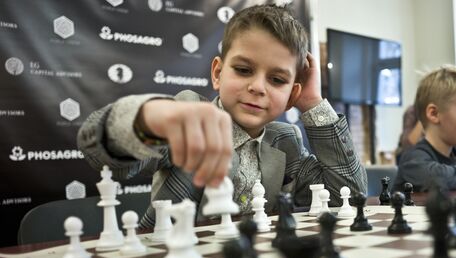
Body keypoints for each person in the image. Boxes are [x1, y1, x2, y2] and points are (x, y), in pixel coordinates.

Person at [77, 4, 367, 228]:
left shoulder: (286, 142)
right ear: (217, 73)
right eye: (243, 70)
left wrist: (313, 103)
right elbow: (97, 153)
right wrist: (146, 120)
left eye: (277, 80)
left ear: (292, 95)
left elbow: (350, 195)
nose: (257, 87)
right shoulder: (187, 116)